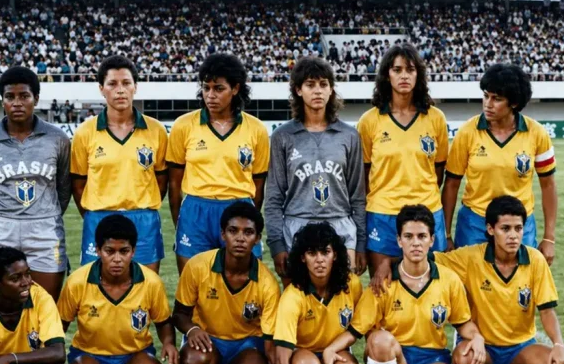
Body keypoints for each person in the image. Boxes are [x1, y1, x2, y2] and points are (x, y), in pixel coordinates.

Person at [325, 205, 486, 364]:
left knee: (466, 358)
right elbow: (355, 331)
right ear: (399, 240)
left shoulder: (449, 279)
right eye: (408, 236)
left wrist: (477, 337)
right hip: (393, 354)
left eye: (422, 236)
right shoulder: (382, 282)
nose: (415, 243)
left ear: (431, 240)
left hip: (432, 358)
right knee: (379, 340)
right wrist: (330, 349)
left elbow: (463, 323)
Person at [428, 196, 564, 364]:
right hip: (483, 346)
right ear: (490, 229)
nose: (513, 235)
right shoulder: (470, 257)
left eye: (518, 228)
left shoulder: (535, 260)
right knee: (465, 359)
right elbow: (428, 259)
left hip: (521, 347)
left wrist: (559, 345)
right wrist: (386, 263)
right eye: (505, 228)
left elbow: (547, 311)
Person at [0, 66, 71, 300]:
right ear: (2, 100)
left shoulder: (57, 139)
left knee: (45, 307)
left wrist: (44, 213)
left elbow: (63, 188)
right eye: (10, 97)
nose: (17, 102)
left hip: (44, 228)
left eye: (24, 96)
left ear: (36, 98)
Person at [264, 56, 366, 285]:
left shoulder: (349, 136)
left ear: (331, 90)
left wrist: (360, 242)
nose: (317, 91)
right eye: (310, 85)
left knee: (343, 303)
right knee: (300, 302)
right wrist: (277, 244)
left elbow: (358, 197)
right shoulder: (283, 136)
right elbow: (273, 198)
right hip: (297, 224)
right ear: (298, 90)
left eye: (323, 84)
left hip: (340, 223)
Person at [443, 64, 557, 264]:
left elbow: (548, 185)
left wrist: (549, 237)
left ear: (513, 103)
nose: (488, 104)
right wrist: (446, 234)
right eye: (486, 96)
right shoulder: (467, 132)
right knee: (470, 290)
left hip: (519, 224)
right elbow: (451, 185)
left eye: (497, 99)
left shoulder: (537, 133)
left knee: (520, 287)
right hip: (475, 223)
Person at [167, 53, 270, 274]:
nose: (210, 95)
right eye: (206, 88)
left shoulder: (256, 129)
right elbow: (174, 184)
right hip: (196, 211)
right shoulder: (183, 126)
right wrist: (183, 221)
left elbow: (259, 184)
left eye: (219, 88)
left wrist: (247, 215)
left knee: (244, 286)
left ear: (235, 89)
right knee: (193, 286)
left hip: (239, 209)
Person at [357, 43, 449, 274]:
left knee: (430, 289)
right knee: (383, 289)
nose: (404, 76)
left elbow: (438, 170)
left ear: (419, 74)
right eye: (397, 70)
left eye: (410, 69)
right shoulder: (369, 121)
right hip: (383, 215)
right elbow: (364, 175)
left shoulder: (435, 118)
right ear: (387, 75)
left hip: (427, 213)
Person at [71, 55, 168, 273]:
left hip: (143, 219)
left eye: (126, 83)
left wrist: (141, 203)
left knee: (145, 287)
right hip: (99, 217)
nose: (120, 90)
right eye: (112, 84)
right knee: (97, 291)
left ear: (136, 87)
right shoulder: (85, 132)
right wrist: (93, 214)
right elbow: (78, 184)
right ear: (101, 89)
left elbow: (161, 180)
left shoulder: (156, 131)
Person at [58, 214, 178, 364]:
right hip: (89, 355)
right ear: (98, 250)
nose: (117, 259)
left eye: (124, 251)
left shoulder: (151, 282)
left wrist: (169, 343)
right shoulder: (77, 282)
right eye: (110, 251)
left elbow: (163, 323)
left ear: (133, 251)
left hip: (135, 355)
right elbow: (61, 324)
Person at [173, 202, 280, 364]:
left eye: (248, 232)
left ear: (258, 239)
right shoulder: (197, 266)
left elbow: (269, 344)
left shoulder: (268, 284)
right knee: (194, 359)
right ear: (223, 234)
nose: (240, 238)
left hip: (247, 344)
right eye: (233, 231)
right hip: (208, 339)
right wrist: (192, 330)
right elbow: (179, 314)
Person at [273, 223, 362, 364]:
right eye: (312, 253)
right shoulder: (292, 296)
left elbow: (362, 325)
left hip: (338, 350)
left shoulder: (351, 284)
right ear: (302, 257)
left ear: (335, 255)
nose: (319, 260)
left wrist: (333, 349)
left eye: (325, 252)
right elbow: (282, 355)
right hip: (304, 353)